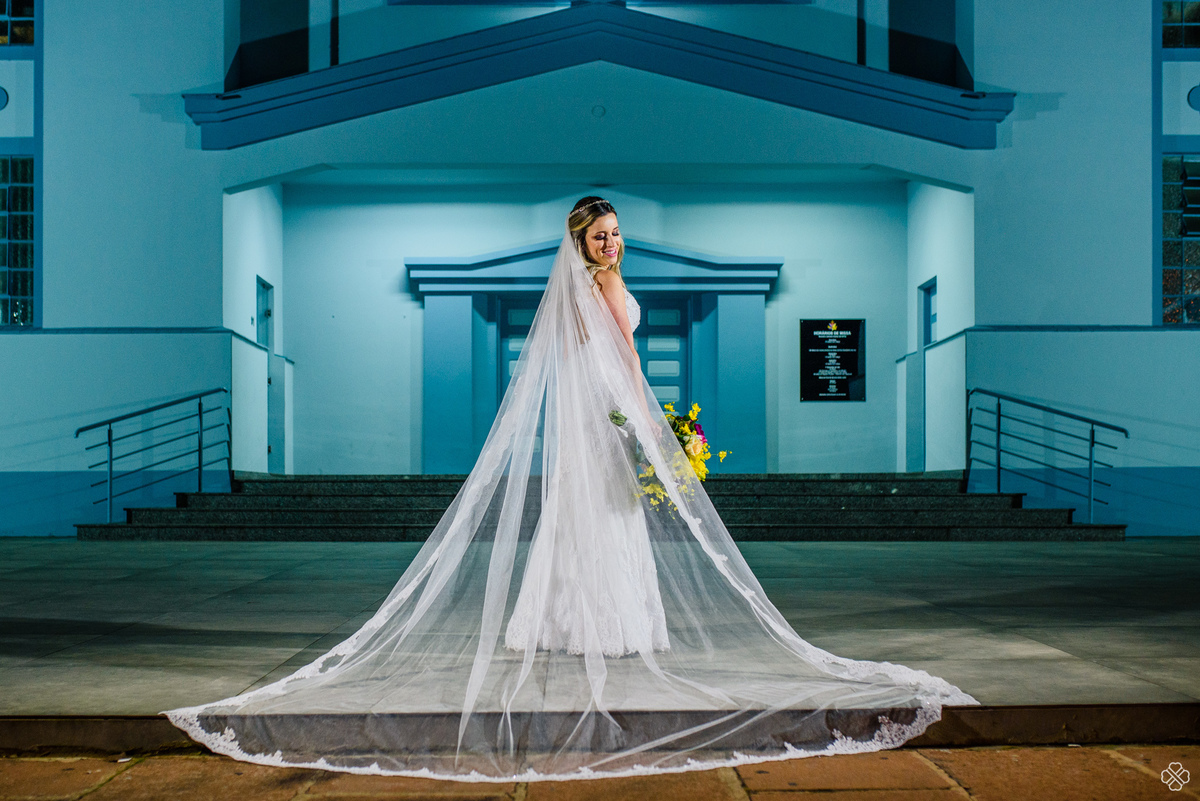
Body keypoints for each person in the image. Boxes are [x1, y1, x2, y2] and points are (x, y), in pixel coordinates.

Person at [165, 196, 979, 782]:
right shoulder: (581, 292)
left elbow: (630, 359)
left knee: (617, 520)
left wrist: (660, 423)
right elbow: (592, 366)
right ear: (579, 243)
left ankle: (607, 619)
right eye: (600, 237)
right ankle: (573, 619)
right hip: (595, 416)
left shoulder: (614, 283)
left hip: (623, 408)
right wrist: (634, 425)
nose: (612, 246)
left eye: (617, 235)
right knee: (586, 511)